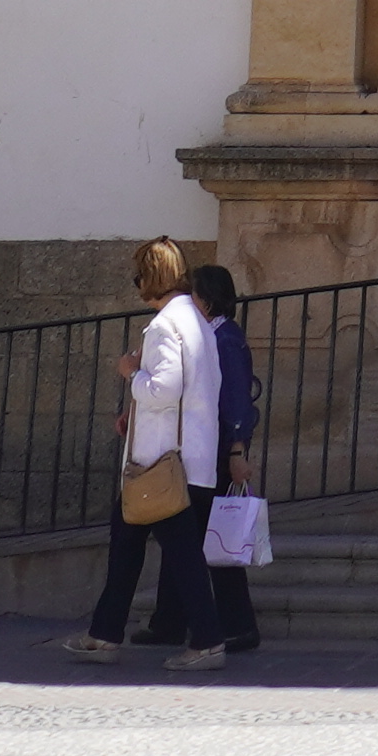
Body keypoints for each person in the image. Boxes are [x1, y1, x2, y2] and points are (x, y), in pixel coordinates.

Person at [64, 238, 226, 669]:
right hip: (188, 459)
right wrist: (135, 413)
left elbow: (164, 388)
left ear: (150, 277)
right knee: (128, 543)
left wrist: (131, 373)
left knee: (180, 559)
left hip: (161, 465)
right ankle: (103, 633)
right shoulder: (198, 322)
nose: (137, 284)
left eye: (139, 275)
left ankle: (208, 642)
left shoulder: (162, 327)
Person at [182, 261, 266, 659]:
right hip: (208, 448)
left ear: (208, 299)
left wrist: (237, 449)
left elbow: (236, 397)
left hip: (218, 452)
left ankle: (239, 625)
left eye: (193, 293)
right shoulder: (211, 336)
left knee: (215, 542)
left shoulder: (225, 339)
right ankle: (178, 618)